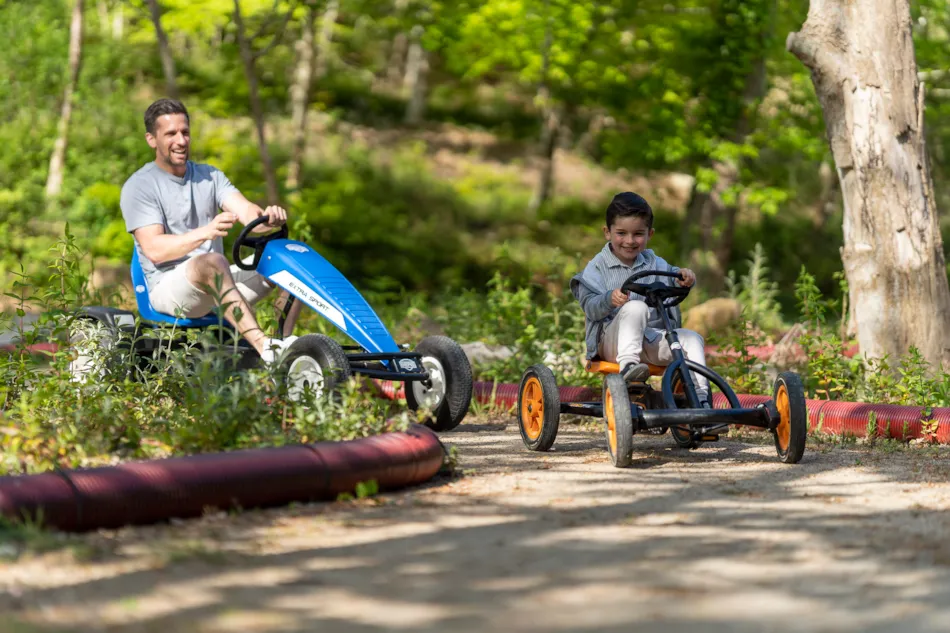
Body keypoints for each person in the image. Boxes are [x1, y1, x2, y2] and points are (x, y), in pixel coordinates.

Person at [120, 98, 298, 363]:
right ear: (151, 139)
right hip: (169, 288)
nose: (181, 141)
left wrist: (268, 219)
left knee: (290, 258)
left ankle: (285, 348)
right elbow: (155, 250)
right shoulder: (140, 186)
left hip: (217, 283)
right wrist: (206, 232)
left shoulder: (210, 176)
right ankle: (265, 348)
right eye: (171, 134)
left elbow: (247, 212)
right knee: (213, 261)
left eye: (185, 132)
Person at [570, 191, 710, 405]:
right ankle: (629, 369)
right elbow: (590, 306)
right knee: (636, 307)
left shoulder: (653, 261)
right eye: (621, 233)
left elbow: (673, 276)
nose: (629, 241)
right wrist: (608, 299)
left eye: (637, 234)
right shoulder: (597, 267)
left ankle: (700, 398)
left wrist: (683, 278)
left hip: (651, 340)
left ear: (649, 234)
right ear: (607, 232)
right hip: (612, 344)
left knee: (691, 338)